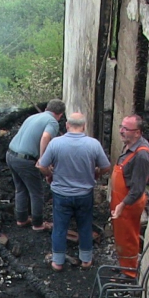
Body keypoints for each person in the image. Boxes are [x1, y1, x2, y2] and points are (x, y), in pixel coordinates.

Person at [37, 113, 112, 271]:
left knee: (59, 227)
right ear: (84, 126)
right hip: (84, 194)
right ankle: (86, 260)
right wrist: (95, 174)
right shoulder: (93, 144)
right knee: (84, 226)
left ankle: (58, 262)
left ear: (67, 125)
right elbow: (106, 166)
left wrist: (50, 175)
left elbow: (42, 165)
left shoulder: (56, 143)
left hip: (61, 195)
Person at [6, 99, 65, 231]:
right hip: (25, 160)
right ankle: (38, 224)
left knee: (20, 188)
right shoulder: (52, 122)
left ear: (47, 108)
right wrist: (43, 159)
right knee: (36, 192)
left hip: (10, 155)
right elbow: (45, 137)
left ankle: (21, 219)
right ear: (60, 114)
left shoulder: (33, 117)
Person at [111, 115, 149, 277]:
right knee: (121, 236)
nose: (121, 131)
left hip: (129, 203)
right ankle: (124, 265)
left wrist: (122, 205)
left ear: (137, 133)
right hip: (121, 201)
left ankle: (129, 273)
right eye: (121, 127)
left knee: (128, 237)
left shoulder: (141, 155)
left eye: (126, 129)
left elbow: (137, 188)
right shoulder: (129, 146)